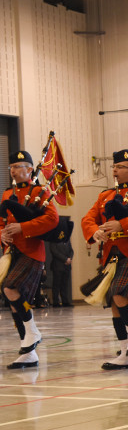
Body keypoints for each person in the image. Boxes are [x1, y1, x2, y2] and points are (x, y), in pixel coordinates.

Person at [81, 149, 128, 370]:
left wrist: (122, 225)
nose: (115, 170)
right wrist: (94, 231)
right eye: (114, 166)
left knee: (120, 294)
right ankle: (126, 353)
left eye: (121, 166)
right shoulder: (105, 196)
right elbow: (89, 217)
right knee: (115, 304)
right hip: (111, 254)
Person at [1, 150, 59, 369]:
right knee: (16, 303)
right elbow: (2, 220)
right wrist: (2, 234)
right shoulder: (7, 194)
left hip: (33, 251)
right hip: (12, 251)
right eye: (12, 168)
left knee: (10, 288)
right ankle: (29, 353)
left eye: (18, 167)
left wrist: (23, 227)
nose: (14, 171)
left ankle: (32, 331)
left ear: (29, 169)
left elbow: (51, 219)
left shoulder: (40, 191)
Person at [49, 233, 74, 307]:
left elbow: (71, 250)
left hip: (67, 266)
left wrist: (70, 258)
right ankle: (56, 302)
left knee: (65, 284)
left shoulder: (67, 238)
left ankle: (65, 301)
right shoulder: (53, 239)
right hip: (58, 265)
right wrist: (65, 259)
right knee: (56, 284)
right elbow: (54, 251)